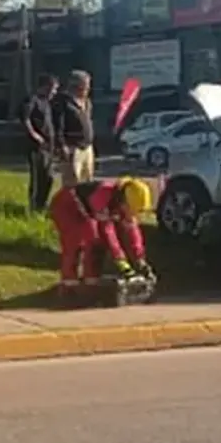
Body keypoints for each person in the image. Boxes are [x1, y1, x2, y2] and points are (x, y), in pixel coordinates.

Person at [49, 177, 153, 297]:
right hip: (67, 206)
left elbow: (132, 231)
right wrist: (121, 262)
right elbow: (106, 231)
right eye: (131, 210)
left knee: (96, 247)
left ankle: (91, 286)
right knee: (82, 243)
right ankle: (69, 289)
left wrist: (140, 260)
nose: (132, 214)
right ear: (123, 201)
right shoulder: (103, 195)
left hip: (87, 211)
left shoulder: (125, 202)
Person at [20, 74, 58, 212]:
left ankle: (42, 204)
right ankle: (34, 207)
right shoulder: (32, 100)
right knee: (37, 178)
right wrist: (34, 135)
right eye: (53, 89)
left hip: (49, 147)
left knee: (49, 177)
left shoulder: (46, 103)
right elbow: (25, 119)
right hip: (37, 148)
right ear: (45, 86)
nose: (54, 92)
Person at [53, 70, 95, 188]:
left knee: (87, 180)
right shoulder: (63, 101)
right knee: (72, 181)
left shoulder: (87, 102)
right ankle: (69, 205)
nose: (88, 88)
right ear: (77, 85)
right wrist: (62, 145)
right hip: (72, 147)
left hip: (87, 147)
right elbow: (58, 125)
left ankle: (85, 205)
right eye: (86, 85)